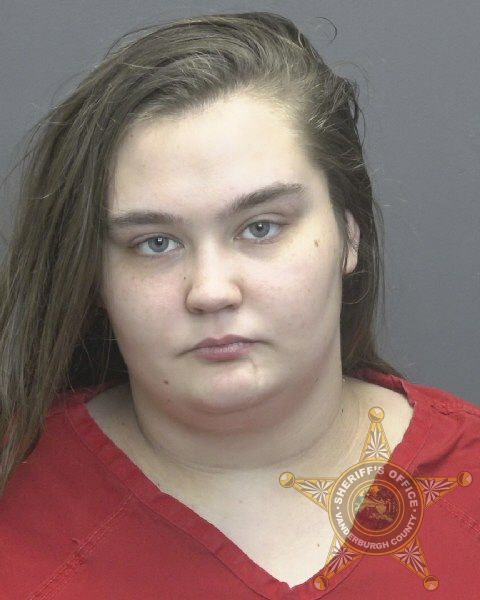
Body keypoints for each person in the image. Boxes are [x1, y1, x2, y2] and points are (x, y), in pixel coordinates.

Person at [0, 11, 478, 600]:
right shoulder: (17, 496)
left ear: (348, 235)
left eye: (260, 227)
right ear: (96, 275)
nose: (210, 290)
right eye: (156, 243)